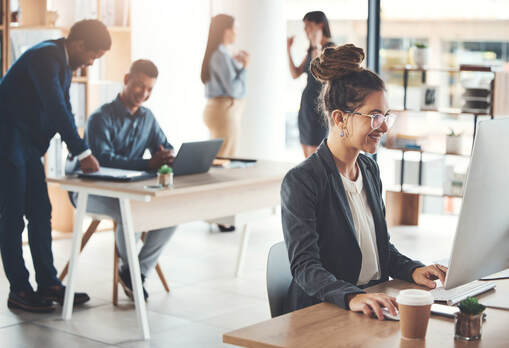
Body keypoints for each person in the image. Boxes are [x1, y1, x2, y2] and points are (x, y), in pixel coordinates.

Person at [280, 44, 448, 320]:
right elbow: (305, 267)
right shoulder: (302, 181)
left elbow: (381, 249)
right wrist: (353, 296)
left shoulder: (369, 169)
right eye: (374, 116)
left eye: (386, 116)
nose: (383, 127)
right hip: (325, 309)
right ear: (340, 118)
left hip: (372, 300)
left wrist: (412, 270)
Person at [0, 20, 111, 313]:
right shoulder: (46, 56)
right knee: (12, 218)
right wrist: (83, 152)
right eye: (92, 56)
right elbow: (54, 106)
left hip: (27, 147)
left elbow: (65, 108)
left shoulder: (61, 63)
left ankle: (49, 283)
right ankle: (19, 290)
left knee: (40, 212)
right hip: (8, 144)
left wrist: (80, 148)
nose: (90, 63)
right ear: (78, 45)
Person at [71, 59, 176, 301]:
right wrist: (147, 164)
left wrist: (167, 156)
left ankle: (135, 272)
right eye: (140, 86)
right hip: (91, 192)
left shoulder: (147, 117)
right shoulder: (100, 118)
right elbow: (103, 160)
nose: (144, 94)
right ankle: (134, 273)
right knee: (126, 209)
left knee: (172, 211)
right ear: (126, 80)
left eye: (150, 89)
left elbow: (164, 146)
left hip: (127, 191)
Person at [201, 14, 250, 233]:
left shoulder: (221, 54)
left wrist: (237, 65)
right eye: (235, 28)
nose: (237, 33)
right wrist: (245, 67)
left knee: (221, 161)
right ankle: (221, 217)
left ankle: (218, 214)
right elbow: (234, 88)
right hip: (224, 110)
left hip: (221, 109)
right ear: (225, 30)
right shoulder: (220, 55)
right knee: (224, 164)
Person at [287, 11, 335, 158]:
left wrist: (315, 45)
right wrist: (288, 49)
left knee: (316, 156)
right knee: (306, 156)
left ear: (320, 25)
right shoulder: (311, 50)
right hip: (306, 106)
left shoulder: (331, 49)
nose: (306, 30)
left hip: (319, 107)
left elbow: (319, 73)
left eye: (308, 26)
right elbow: (295, 73)